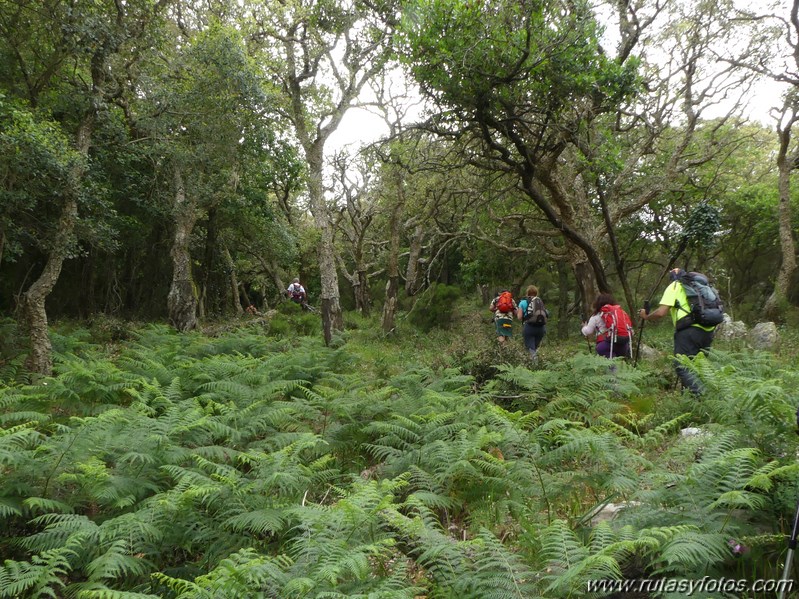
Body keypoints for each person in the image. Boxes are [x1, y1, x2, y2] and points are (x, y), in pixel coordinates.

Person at [638, 268, 716, 394]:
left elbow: (661, 312)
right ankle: (691, 403)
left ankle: (701, 397)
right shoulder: (700, 287)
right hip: (708, 330)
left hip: (688, 331)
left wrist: (646, 316)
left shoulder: (675, 285)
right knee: (696, 367)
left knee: (682, 366)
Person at [582, 293, 632, 359]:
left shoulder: (596, 316)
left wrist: (583, 327)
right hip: (623, 345)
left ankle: (613, 368)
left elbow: (588, 331)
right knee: (619, 363)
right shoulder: (619, 313)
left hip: (605, 346)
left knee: (611, 365)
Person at [516, 285, 548, 363]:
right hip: (541, 328)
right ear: (536, 293)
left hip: (529, 328)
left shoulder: (523, 302)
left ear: (527, 293)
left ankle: (534, 365)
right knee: (534, 348)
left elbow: (519, 317)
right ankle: (534, 363)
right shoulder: (539, 302)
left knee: (530, 348)